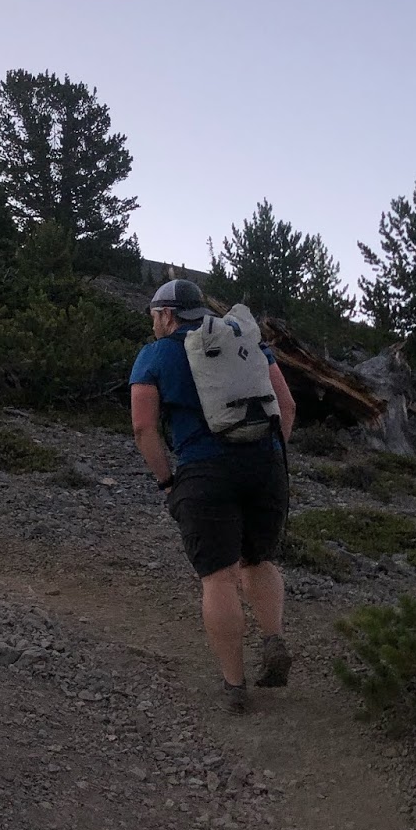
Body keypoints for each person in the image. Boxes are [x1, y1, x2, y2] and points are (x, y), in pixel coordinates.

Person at [130, 278, 297, 713]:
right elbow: (287, 405)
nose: (153, 324)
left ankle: (235, 686)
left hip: (205, 472)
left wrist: (169, 482)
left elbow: (144, 427)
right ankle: (273, 639)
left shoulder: (157, 354)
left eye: (154, 316)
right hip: (264, 464)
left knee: (218, 576)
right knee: (258, 559)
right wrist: (272, 455)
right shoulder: (247, 342)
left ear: (166, 314)